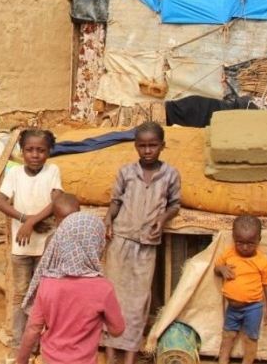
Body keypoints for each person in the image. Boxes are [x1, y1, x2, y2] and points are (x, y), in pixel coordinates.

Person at [102, 121, 181, 364]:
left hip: (147, 242)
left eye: (153, 146)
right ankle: (110, 352)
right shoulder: (126, 172)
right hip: (121, 238)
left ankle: (130, 355)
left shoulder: (170, 174)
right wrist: (108, 219)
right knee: (113, 296)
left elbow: (174, 204)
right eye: (142, 146)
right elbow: (116, 201)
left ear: (162, 146)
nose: (147, 151)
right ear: (135, 147)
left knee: (138, 302)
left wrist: (162, 218)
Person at [17, 213, 125, 364]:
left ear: (62, 242)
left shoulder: (48, 282)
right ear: (97, 244)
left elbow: (32, 329)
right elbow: (117, 330)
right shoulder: (103, 289)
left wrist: (20, 361)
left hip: (49, 359)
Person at [0, 129, 63, 354]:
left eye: (41, 150)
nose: (35, 155)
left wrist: (32, 222)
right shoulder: (14, 174)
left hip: (45, 244)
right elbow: (0, 201)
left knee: (43, 296)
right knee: (20, 295)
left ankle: (36, 344)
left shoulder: (53, 170)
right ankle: (18, 344)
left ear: (49, 151)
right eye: (30, 150)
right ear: (22, 152)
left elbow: (57, 201)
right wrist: (25, 220)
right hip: (21, 245)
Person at [215, 215, 267, 364]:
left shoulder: (262, 262)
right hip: (232, 308)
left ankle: (247, 361)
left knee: (250, 338)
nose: (245, 247)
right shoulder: (229, 253)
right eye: (240, 243)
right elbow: (216, 267)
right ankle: (223, 360)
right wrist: (222, 269)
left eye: (250, 243)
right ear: (234, 238)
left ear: (258, 240)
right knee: (228, 335)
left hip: (253, 308)